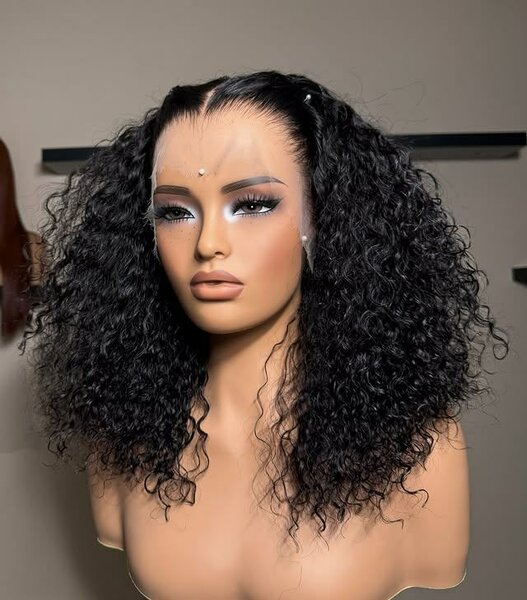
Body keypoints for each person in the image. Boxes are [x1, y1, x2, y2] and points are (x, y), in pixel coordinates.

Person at [20, 70, 509, 599]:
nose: (208, 243)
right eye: (175, 211)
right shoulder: (123, 439)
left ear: (320, 218)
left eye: (252, 204)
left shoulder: (418, 448)